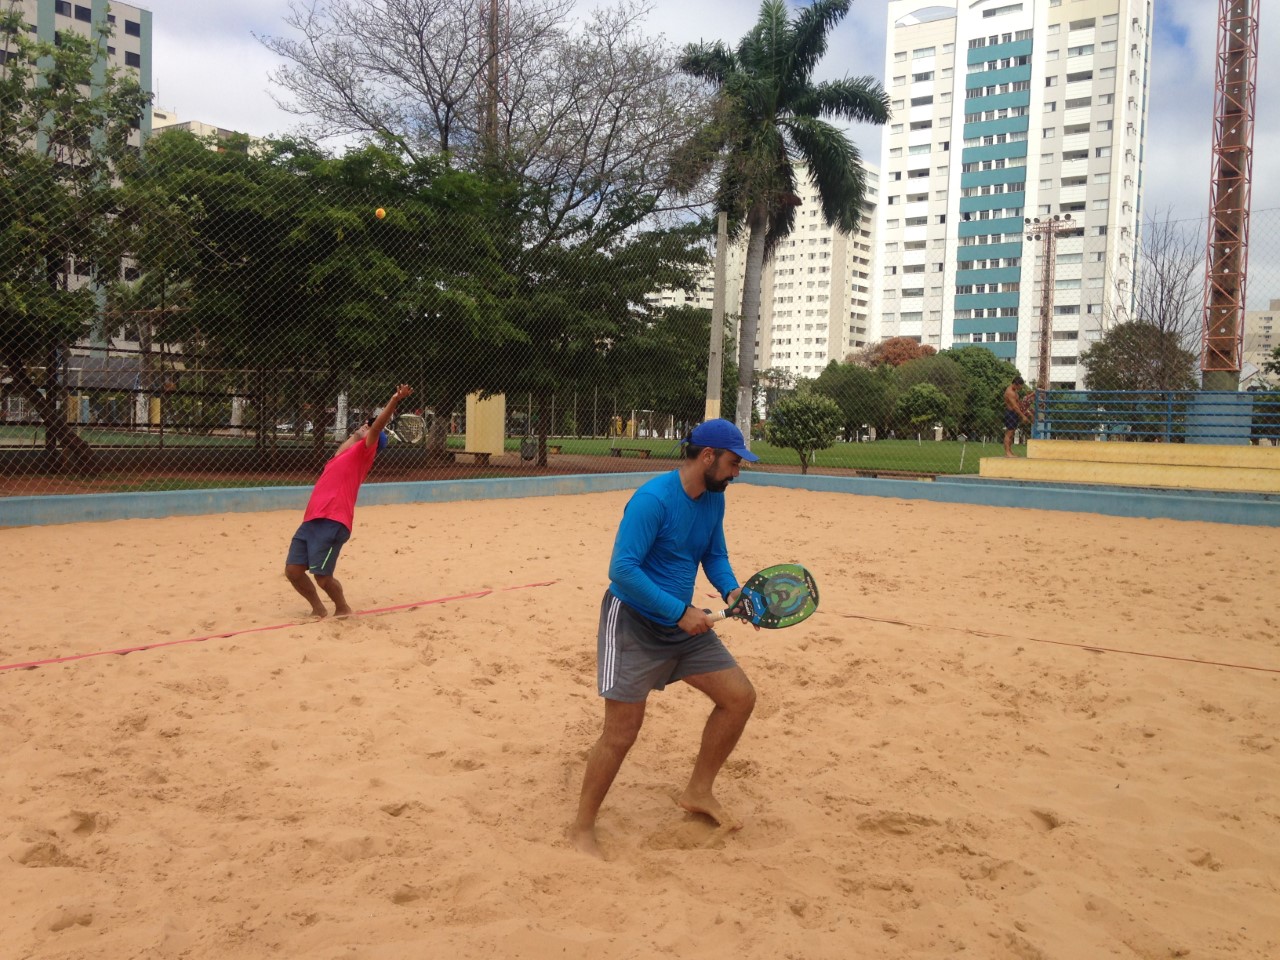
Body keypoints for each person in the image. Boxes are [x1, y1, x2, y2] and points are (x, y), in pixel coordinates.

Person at [570, 418, 760, 859]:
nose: (737, 472)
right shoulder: (652, 500)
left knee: (739, 698)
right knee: (621, 733)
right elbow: (622, 570)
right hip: (632, 622)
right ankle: (582, 828)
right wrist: (679, 612)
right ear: (708, 456)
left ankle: (698, 791)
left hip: (682, 625)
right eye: (734, 463)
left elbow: (714, 553)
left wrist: (731, 591)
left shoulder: (713, 498)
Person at [285, 383, 413, 617]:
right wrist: (356, 434)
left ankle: (342, 608)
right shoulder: (341, 457)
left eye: (369, 427)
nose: (365, 425)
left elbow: (378, 426)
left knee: (323, 577)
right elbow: (347, 444)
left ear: (374, 441)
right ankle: (318, 609)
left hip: (333, 520)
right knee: (293, 571)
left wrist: (394, 399)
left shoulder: (364, 452)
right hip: (312, 520)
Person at [1003, 375, 1031, 458]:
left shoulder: (1014, 391)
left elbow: (1018, 402)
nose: (1021, 388)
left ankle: (1010, 451)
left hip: (1015, 414)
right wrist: (1023, 416)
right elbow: (1015, 406)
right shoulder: (1010, 392)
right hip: (1010, 413)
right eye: (1020, 386)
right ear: (1016, 384)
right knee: (1009, 433)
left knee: (1012, 433)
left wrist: (1025, 410)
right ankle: (1007, 452)